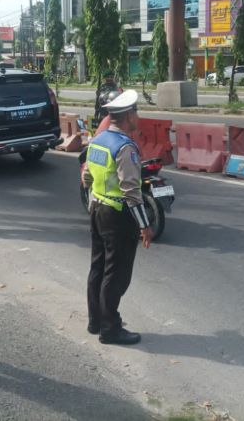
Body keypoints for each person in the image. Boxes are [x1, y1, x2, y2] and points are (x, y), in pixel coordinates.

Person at [82, 90, 154, 345]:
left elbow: (87, 177)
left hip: (97, 209)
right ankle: (110, 328)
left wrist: (94, 199)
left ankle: (96, 321)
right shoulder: (125, 147)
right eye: (136, 112)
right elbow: (132, 191)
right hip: (117, 215)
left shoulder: (97, 140)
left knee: (98, 267)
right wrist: (144, 225)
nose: (138, 117)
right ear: (128, 116)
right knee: (117, 274)